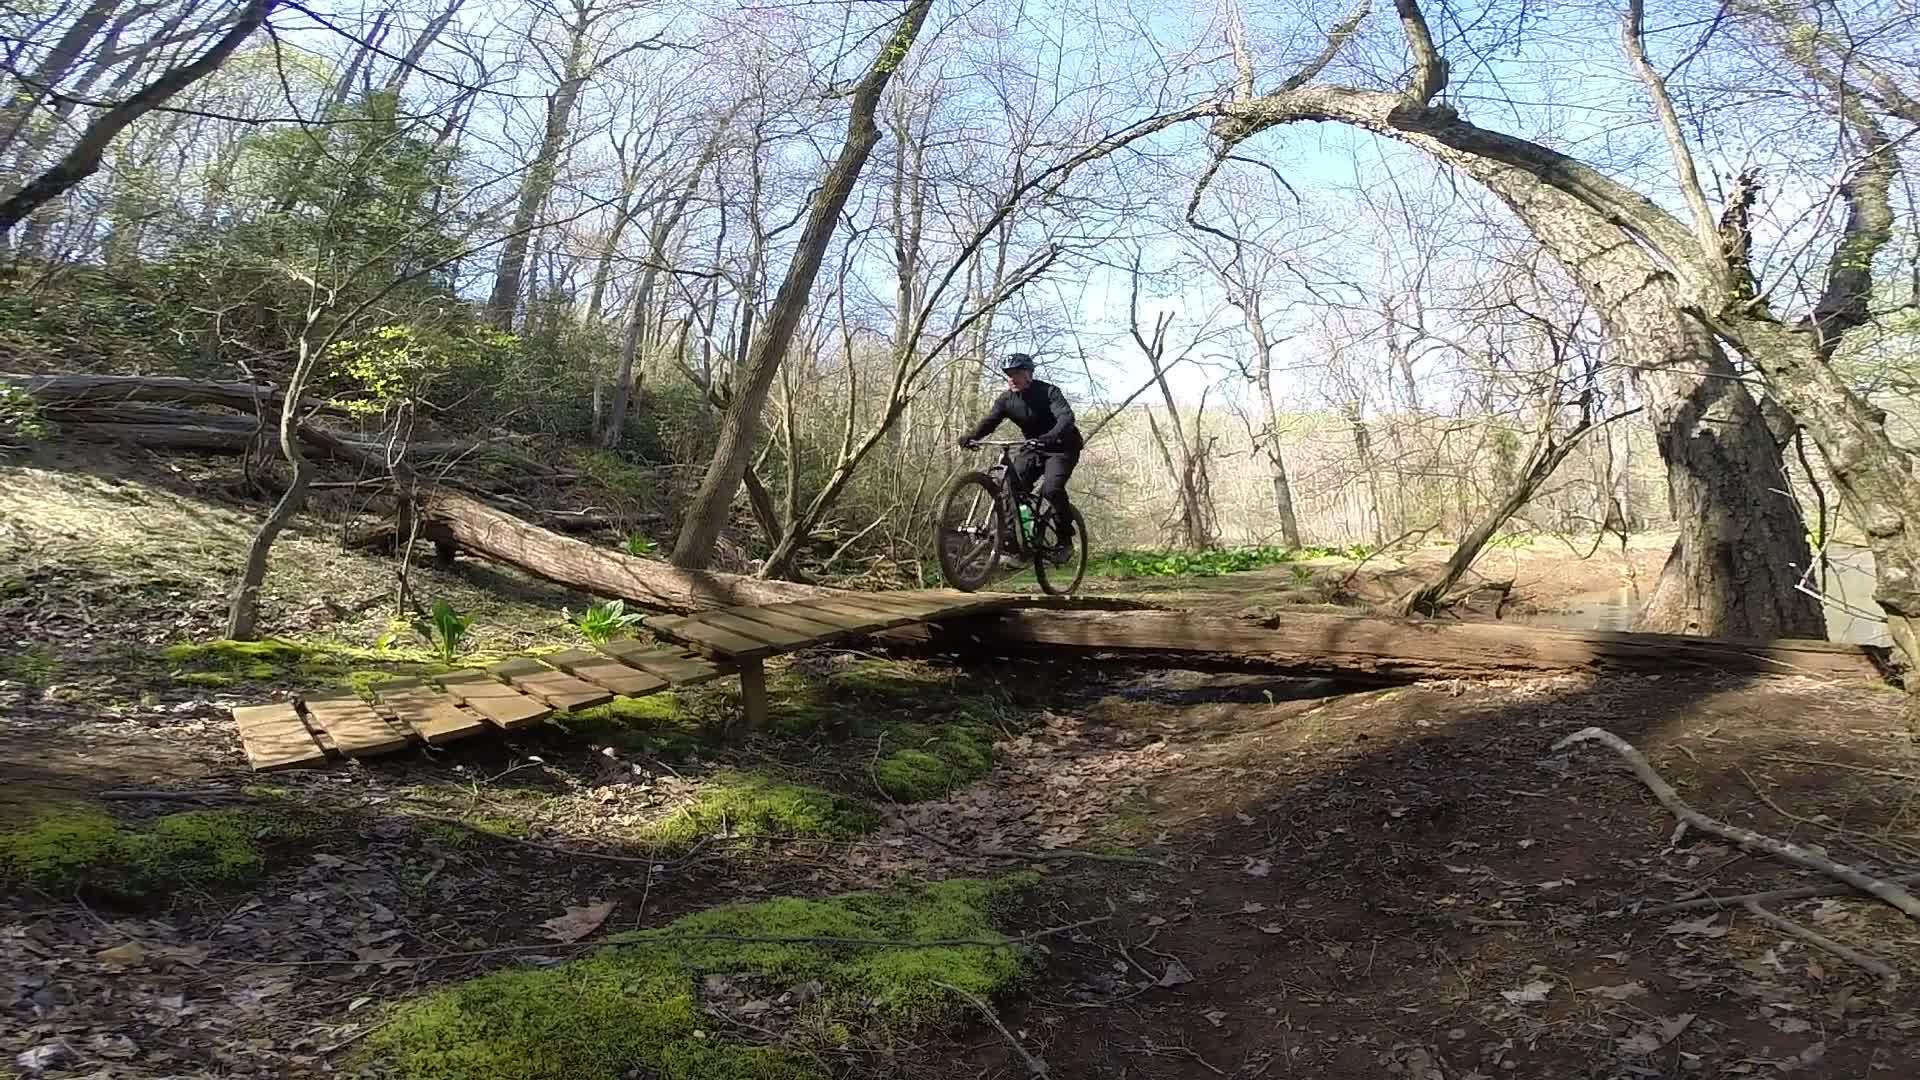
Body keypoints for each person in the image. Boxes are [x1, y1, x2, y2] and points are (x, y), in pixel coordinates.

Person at [958, 353, 1084, 561]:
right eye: (1008, 375)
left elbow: (1066, 418)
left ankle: (1065, 540)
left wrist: (1049, 437)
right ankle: (1015, 539)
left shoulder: (1049, 392)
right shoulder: (1006, 399)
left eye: (1015, 374)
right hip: (1033, 447)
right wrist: (972, 436)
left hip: (1062, 447)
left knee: (1051, 489)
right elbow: (990, 421)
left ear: (1029, 374)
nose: (1011, 379)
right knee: (1011, 487)